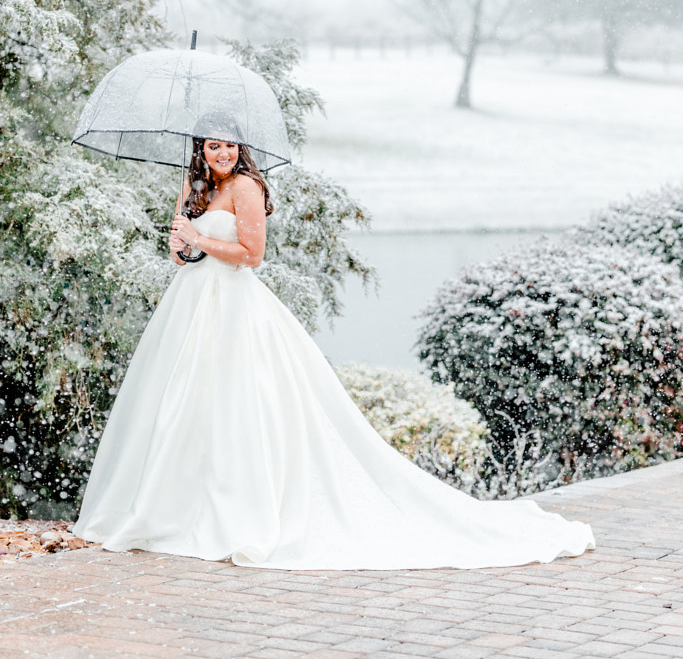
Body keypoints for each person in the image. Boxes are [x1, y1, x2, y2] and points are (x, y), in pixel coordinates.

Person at [73, 138, 594, 569]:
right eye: (214, 147)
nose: (223, 155)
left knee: (240, 402)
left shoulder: (247, 189)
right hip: (189, 305)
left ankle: (237, 510)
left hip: (233, 306)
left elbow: (250, 257)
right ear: (201, 150)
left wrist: (202, 241)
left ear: (240, 150)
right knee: (182, 405)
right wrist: (183, 238)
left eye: (230, 147)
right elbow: (180, 253)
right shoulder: (194, 185)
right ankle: (177, 505)